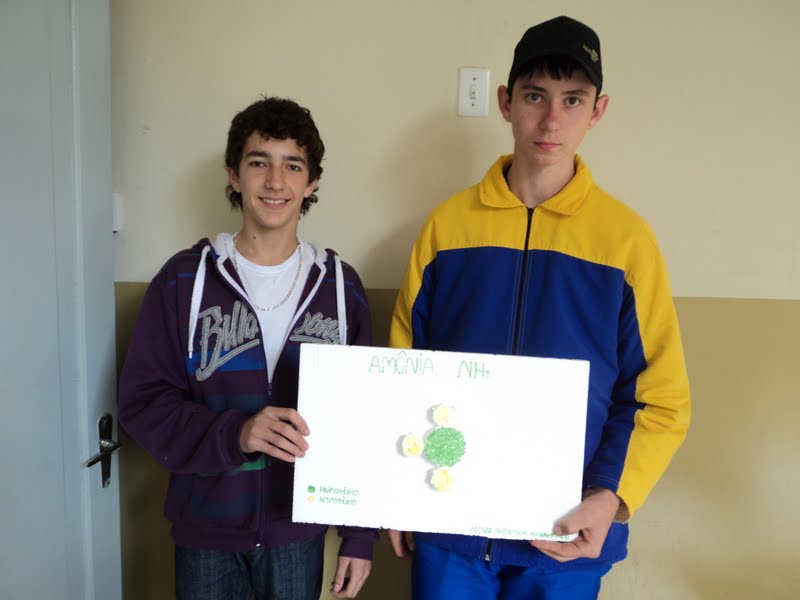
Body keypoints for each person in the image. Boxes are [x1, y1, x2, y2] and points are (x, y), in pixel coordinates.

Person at [387, 15, 690, 600]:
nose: (552, 120)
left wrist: (610, 496)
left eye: (572, 100)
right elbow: (405, 369)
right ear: (506, 102)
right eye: (535, 97)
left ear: (598, 110)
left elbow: (660, 396)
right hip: (451, 531)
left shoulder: (627, 241)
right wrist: (397, 491)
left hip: (565, 538)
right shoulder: (447, 227)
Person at [118, 96, 376, 600]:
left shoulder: (341, 288)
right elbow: (143, 402)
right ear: (234, 175)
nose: (275, 181)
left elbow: (363, 417)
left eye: (292, 165)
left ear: (312, 182)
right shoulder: (183, 280)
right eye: (259, 163)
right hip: (206, 532)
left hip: (298, 532)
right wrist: (236, 432)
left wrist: (359, 536)